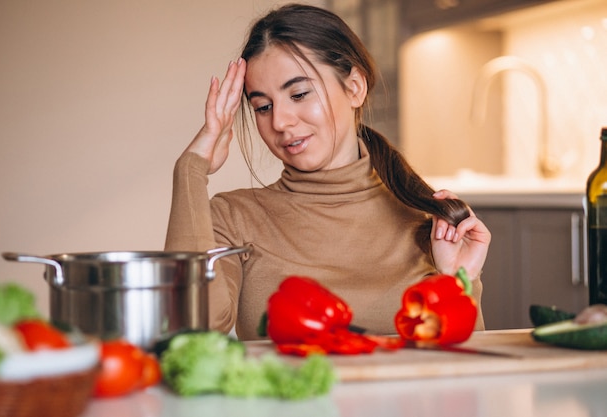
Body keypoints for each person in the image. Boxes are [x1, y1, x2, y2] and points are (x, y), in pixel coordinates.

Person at [165, 3, 491, 340]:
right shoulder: (233, 217)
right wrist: (190, 169)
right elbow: (190, 330)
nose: (279, 122)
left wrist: (459, 281)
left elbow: (465, 372)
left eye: (300, 93)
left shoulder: (425, 220)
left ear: (354, 88)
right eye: (263, 107)